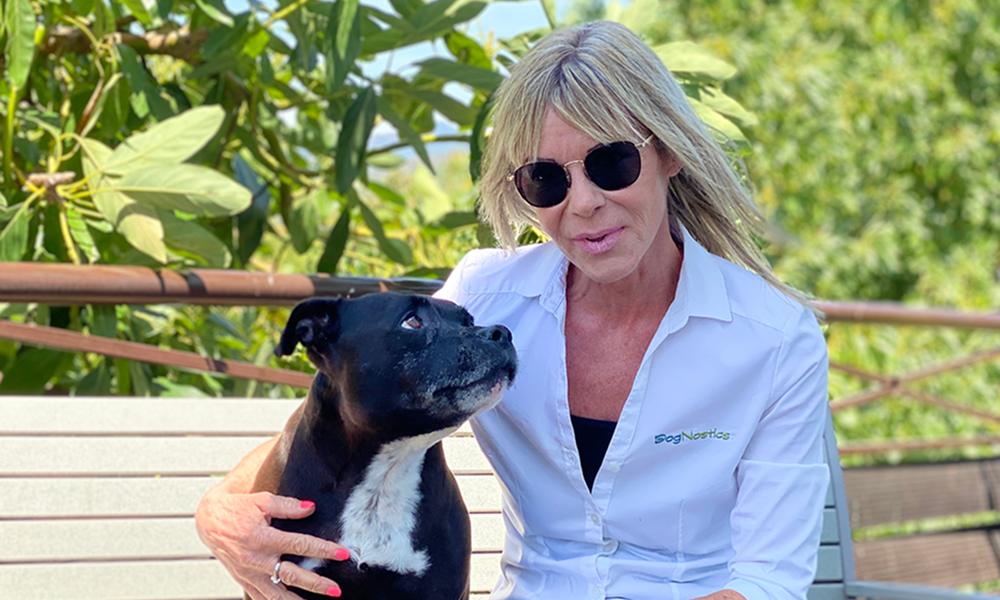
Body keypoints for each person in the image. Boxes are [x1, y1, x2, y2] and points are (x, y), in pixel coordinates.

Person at [195, 20, 830, 600]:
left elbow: (767, 580)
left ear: (669, 152)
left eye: (612, 163)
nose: (583, 203)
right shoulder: (484, 299)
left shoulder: (774, 338)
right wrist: (219, 508)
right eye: (546, 179)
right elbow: (347, 411)